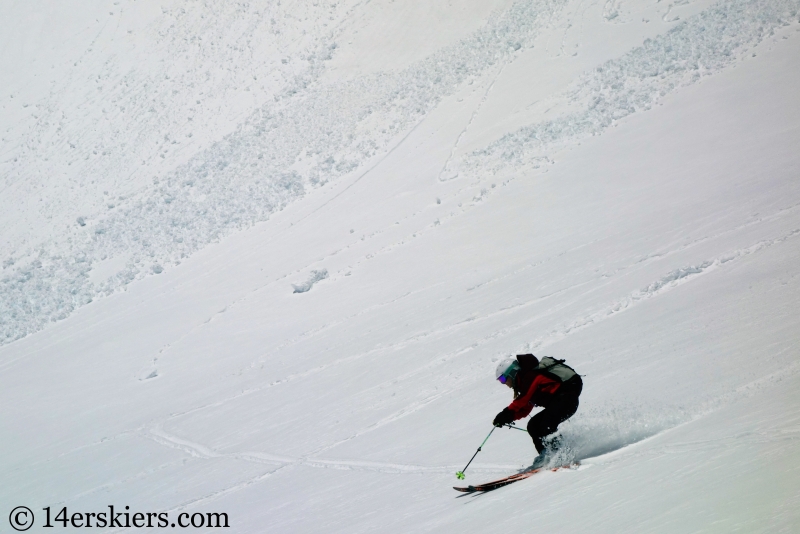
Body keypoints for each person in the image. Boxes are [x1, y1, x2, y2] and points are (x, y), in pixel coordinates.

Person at [492, 354, 582, 465]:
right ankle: (546, 456)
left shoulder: (531, 376)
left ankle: (563, 455)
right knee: (533, 425)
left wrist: (505, 413)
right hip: (561, 401)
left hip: (567, 399)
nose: (504, 383)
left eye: (503, 378)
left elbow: (523, 399)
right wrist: (509, 417)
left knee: (546, 425)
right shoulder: (525, 383)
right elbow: (525, 409)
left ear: (512, 372)